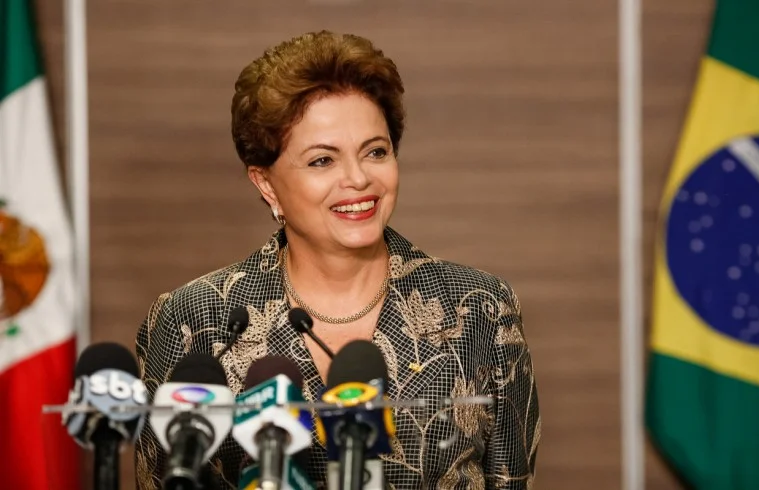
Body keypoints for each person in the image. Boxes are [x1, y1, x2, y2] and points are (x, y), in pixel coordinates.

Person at [135, 30, 540, 490]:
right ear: (266, 183)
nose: (358, 178)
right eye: (322, 161)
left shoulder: (480, 309)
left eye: (375, 152)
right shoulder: (193, 321)